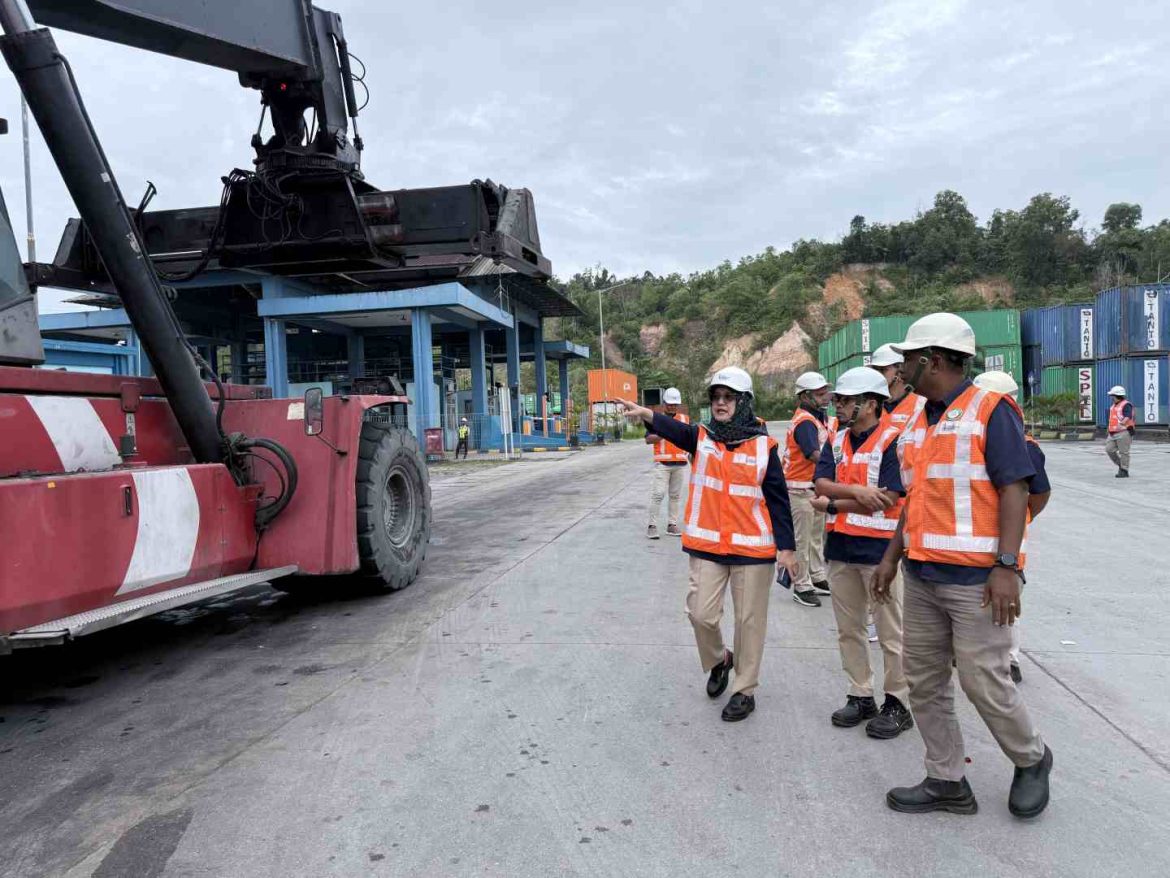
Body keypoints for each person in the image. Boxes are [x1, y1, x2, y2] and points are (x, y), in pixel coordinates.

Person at [874, 312, 1052, 820]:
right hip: (923, 575)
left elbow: (1016, 487)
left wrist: (1005, 566)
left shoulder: (989, 409)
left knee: (983, 680)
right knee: (924, 681)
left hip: (976, 580)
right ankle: (946, 778)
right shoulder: (916, 417)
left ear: (930, 360)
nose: (901, 366)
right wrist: (892, 557)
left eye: (907, 357)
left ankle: (1031, 758)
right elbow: (917, 498)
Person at [616, 366, 798, 723]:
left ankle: (744, 689)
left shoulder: (764, 446)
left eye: (728, 398)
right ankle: (719, 660)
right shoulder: (701, 436)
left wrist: (787, 548)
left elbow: (778, 500)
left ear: (743, 402)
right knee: (700, 614)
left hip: (752, 550)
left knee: (749, 623)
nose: (720, 403)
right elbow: (675, 430)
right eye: (716, 397)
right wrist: (648, 415)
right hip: (709, 547)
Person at [810, 367, 913, 739]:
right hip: (840, 549)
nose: (838, 405)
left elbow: (887, 499)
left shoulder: (892, 441)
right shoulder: (835, 439)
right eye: (838, 399)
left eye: (846, 400)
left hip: (880, 553)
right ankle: (860, 693)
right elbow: (820, 483)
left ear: (870, 404)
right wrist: (857, 495)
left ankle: (898, 702)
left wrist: (835, 504)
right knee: (849, 629)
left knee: (891, 632)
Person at [973, 371, 1052, 684]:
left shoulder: (1026, 447)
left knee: (1005, 603)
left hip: (1007, 545)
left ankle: (1010, 658)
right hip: (974, 540)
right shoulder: (979, 442)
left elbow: (1040, 493)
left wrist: (1025, 515)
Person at [782, 371, 834, 607]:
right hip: (800, 489)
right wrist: (835, 470)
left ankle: (817, 575)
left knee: (815, 537)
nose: (826, 397)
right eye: (820, 393)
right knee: (802, 541)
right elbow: (814, 454)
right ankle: (801, 584)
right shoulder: (804, 422)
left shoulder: (817, 418)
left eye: (826, 392)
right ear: (804, 396)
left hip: (814, 487)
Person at [644, 387, 690, 539]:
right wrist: (664, 431)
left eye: (675, 404)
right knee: (658, 495)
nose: (672, 406)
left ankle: (672, 524)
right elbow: (648, 439)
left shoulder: (684, 420)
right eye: (669, 404)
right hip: (662, 464)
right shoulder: (655, 419)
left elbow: (690, 438)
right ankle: (652, 526)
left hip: (680, 464)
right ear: (664, 404)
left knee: (675, 496)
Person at [869, 343, 926, 432]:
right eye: (875, 370)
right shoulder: (870, 406)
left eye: (882, 370)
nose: (878, 375)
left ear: (900, 369)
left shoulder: (920, 404)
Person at [1105, 385, 1135, 478]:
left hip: (1124, 431)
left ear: (1116, 395)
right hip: (1112, 432)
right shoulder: (1113, 406)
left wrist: (1123, 422)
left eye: (1112, 395)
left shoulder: (1126, 404)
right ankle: (1121, 466)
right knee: (1109, 450)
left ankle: (1124, 470)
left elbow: (1128, 415)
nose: (1111, 397)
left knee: (1124, 452)